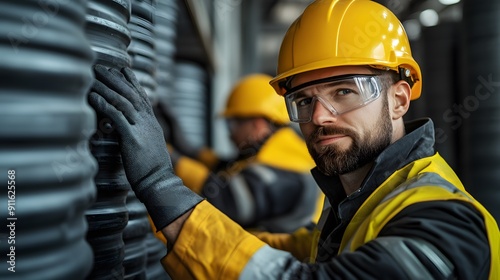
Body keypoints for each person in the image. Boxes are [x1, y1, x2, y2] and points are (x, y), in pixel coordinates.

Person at [88, 0, 500, 278]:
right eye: (304, 100)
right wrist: (162, 224)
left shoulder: (446, 223)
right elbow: (283, 249)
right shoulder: (352, 208)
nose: (319, 116)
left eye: (344, 91)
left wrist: (163, 184)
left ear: (398, 99)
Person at [154, 73, 323, 234]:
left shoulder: (284, 171)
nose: (230, 134)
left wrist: (165, 157)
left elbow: (228, 199)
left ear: (257, 125)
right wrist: (187, 148)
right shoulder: (280, 150)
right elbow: (229, 168)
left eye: (233, 124)